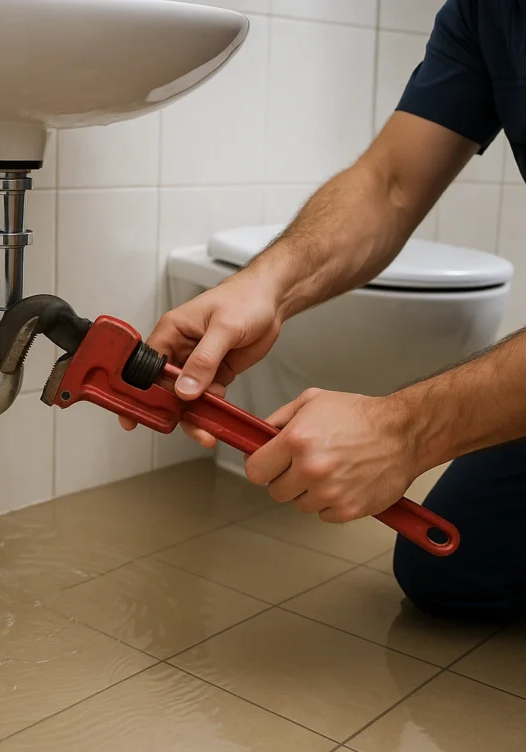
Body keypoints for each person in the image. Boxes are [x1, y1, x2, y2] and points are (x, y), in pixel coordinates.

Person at [122, 0, 526, 622]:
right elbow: (389, 183)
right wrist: (264, 285)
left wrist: (405, 428)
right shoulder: (485, 13)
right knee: (459, 570)